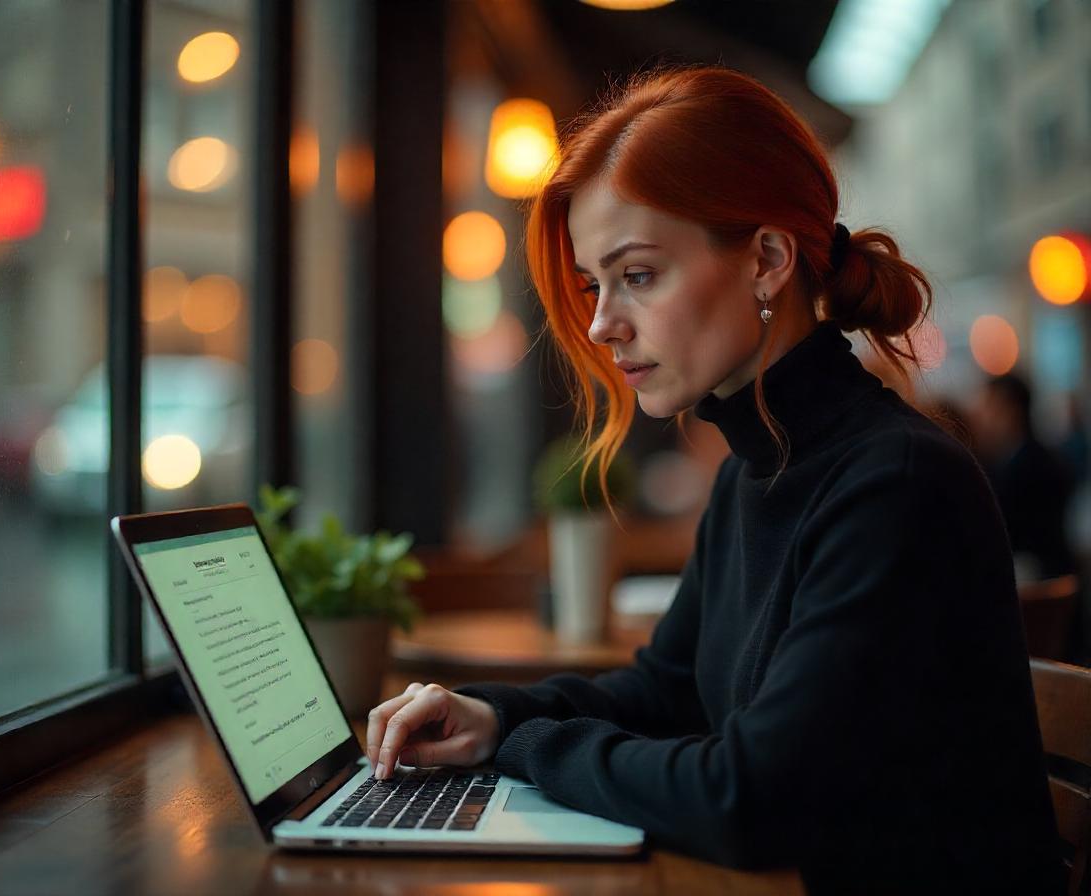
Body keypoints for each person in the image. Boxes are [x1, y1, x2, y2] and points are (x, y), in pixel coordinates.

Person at [366, 67, 1064, 893]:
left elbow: (749, 798)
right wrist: (494, 714)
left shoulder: (897, 483)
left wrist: (520, 747)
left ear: (766, 259)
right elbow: (666, 691)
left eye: (639, 275)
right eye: (595, 284)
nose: (599, 323)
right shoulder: (756, 470)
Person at [971, 372, 1077, 581]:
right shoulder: (1017, 458)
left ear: (1012, 411)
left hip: (1041, 581)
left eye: (990, 408)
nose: (983, 417)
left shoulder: (1032, 466)